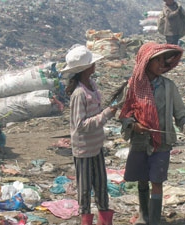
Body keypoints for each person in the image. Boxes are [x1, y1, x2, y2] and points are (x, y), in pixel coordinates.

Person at [117, 42, 185, 225]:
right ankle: (143, 215)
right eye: (158, 60)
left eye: (164, 61)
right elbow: (122, 114)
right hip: (140, 141)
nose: (162, 65)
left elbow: (180, 114)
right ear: (146, 62)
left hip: (162, 142)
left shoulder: (169, 86)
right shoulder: (132, 86)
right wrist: (134, 125)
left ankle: (154, 220)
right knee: (142, 180)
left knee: (157, 181)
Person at [63, 44, 117, 225]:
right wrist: (106, 115)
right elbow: (80, 125)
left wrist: (105, 113)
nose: (95, 65)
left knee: (101, 186)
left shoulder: (92, 85)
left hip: (96, 146)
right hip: (84, 149)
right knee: (85, 189)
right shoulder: (79, 94)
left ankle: (104, 219)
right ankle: (85, 219)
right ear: (86, 68)